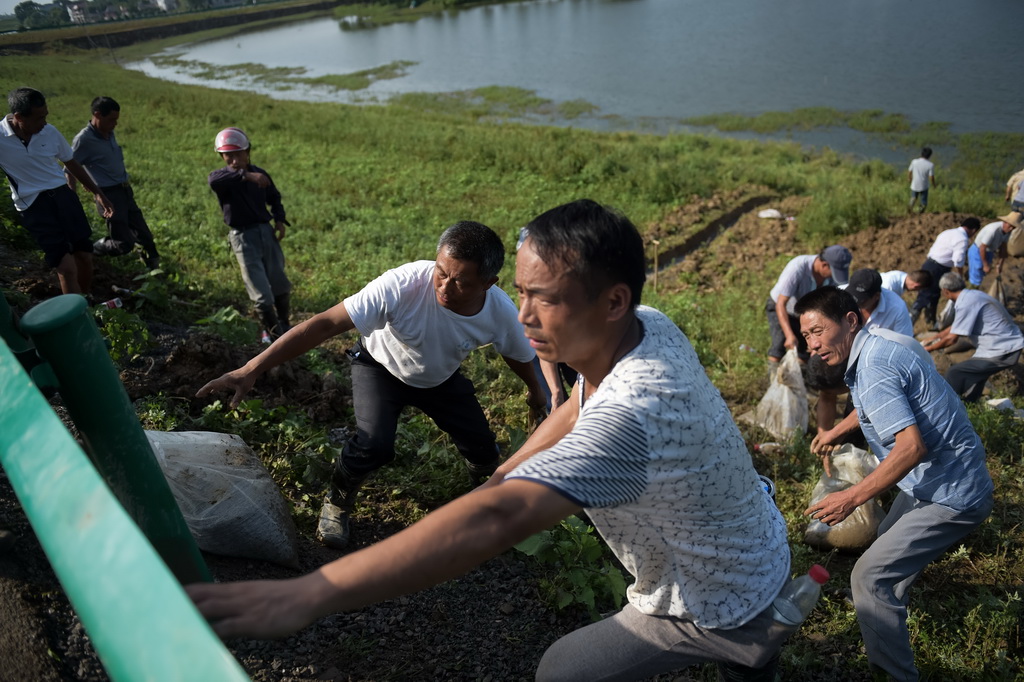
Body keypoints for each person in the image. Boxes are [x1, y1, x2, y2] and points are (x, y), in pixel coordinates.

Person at [189, 199, 792, 681]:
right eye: (523, 294)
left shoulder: (631, 417)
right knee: (376, 443)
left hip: (716, 597)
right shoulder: (648, 326)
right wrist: (507, 473)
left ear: (613, 301)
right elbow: (575, 403)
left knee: (560, 670)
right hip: (757, 542)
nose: (524, 316)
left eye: (544, 299)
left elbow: (494, 523)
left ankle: (748, 645)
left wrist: (310, 594)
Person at [197, 220, 546, 549]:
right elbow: (323, 324)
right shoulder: (402, 285)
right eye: (441, 273)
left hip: (438, 378)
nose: (444, 287)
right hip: (379, 367)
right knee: (374, 444)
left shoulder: (500, 311)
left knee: (484, 448)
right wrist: (253, 367)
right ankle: (337, 499)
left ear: (489, 282)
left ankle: (490, 501)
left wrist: (536, 392)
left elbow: (518, 354)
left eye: (461, 282)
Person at [797, 286, 993, 681]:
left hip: (952, 493)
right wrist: (840, 428)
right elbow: (882, 405)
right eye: (805, 336)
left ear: (850, 321)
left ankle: (894, 674)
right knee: (885, 544)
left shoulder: (872, 368)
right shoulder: (875, 347)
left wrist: (851, 497)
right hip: (934, 481)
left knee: (867, 575)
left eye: (818, 331)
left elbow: (910, 449)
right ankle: (882, 612)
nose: (813, 345)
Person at [0, 87, 114, 296]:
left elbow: (71, 163)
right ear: (18, 117)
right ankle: (73, 316)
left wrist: (98, 193)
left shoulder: (49, 132)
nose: (44, 122)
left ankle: (85, 302)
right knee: (66, 267)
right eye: (38, 118)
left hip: (63, 197)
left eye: (45, 116)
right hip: (34, 206)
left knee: (84, 257)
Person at [208, 127, 293, 340]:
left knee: (279, 283)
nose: (234, 160)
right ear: (222, 156)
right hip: (243, 238)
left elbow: (274, 197)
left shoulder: (261, 175)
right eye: (229, 156)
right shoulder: (225, 178)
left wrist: (279, 219)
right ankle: (273, 336)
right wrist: (246, 176)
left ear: (247, 152)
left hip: (266, 233)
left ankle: (285, 326)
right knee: (261, 293)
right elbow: (213, 181)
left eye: (238, 154)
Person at [814, 269, 913, 440]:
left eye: (862, 300)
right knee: (827, 388)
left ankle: (855, 441)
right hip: (844, 354)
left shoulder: (896, 308)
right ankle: (824, 440)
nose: (856, 303)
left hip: (878, 363)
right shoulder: (839, 295)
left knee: (864, 408)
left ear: (876, 296)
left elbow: (904, 349)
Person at [70, 96, 160, 270]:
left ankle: (154, 272)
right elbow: (71, 168)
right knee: (123, 244)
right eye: (112, 119)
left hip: (125, 190)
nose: (115, 124)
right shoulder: (84, 139)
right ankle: (95, 249)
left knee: (145, 236)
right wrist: (73, 198)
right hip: (108, 195)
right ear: (97, 115)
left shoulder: (109, 132)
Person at [922, 272, 1024, 401]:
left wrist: (928, 349)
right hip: (999, 346)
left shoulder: (966, 303)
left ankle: (946, 406)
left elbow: (952, 338)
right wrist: (935, 337)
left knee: (954, 373)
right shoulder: (972, 296)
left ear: (945, 291)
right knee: (975, 377)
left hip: (1002, 349)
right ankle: (970, 405)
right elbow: (956, 326)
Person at [766, 244, 852, 364]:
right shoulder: (798, 267)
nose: (834, 277)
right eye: (833, 272)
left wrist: (818, 339)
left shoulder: (831, 279)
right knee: (779, 345)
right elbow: (781, 303)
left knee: (805, 352)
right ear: (824, 265)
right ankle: (774, 378)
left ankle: (798, 380)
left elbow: (826, 307)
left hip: (803, 315)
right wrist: (789, 335)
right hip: (781, 309)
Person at [911, 217, 980, 328]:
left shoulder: (948, 232)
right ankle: (912, 322)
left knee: (930, 294)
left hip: (928, 264)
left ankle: (929, 322)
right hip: (938, 268)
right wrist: (960, 275)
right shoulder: (962, 239)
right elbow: (958, 260)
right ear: (973, 230)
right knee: (928, 295)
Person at [966, 213, 1020, 287]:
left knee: (983, 274)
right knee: (977, 273)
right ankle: (972, 289)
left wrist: (1000, 264)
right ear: (1005, 222)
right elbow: (982, 247)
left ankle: (978, 288)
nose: (1011, 229)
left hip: (989, 251)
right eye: (1010, 226)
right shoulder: (992, 230)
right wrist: (985, 265)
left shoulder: (1008, 232)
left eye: (1013, 227)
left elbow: (1003, 248)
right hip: (978, 251)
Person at [907, 147, 935, 213]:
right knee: (923, 201)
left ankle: (910, 207)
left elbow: (909, 171)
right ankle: (920, 212)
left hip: (915, 184)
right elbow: (931, 177)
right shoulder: (930, 165)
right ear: (929, 155)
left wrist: (909, 178)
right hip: (924, 185)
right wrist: (934, 185)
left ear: (921, 153)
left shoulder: (914, 161)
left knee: (913, 197)